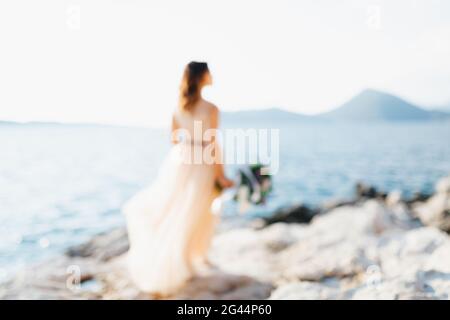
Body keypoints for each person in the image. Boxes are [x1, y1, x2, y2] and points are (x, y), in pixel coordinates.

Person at [123, 61, 233, 296]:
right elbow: (212, 143)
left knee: (181, 209)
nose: (212, 75)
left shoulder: (179, 107)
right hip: (202, 162)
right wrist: (221, 175)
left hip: (182, 161)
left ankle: (186, 259)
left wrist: (188, 147)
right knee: (200, 211)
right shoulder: (211, 108)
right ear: (202, 76)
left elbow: (174, 139)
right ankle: (194, 258)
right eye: (209, 71)